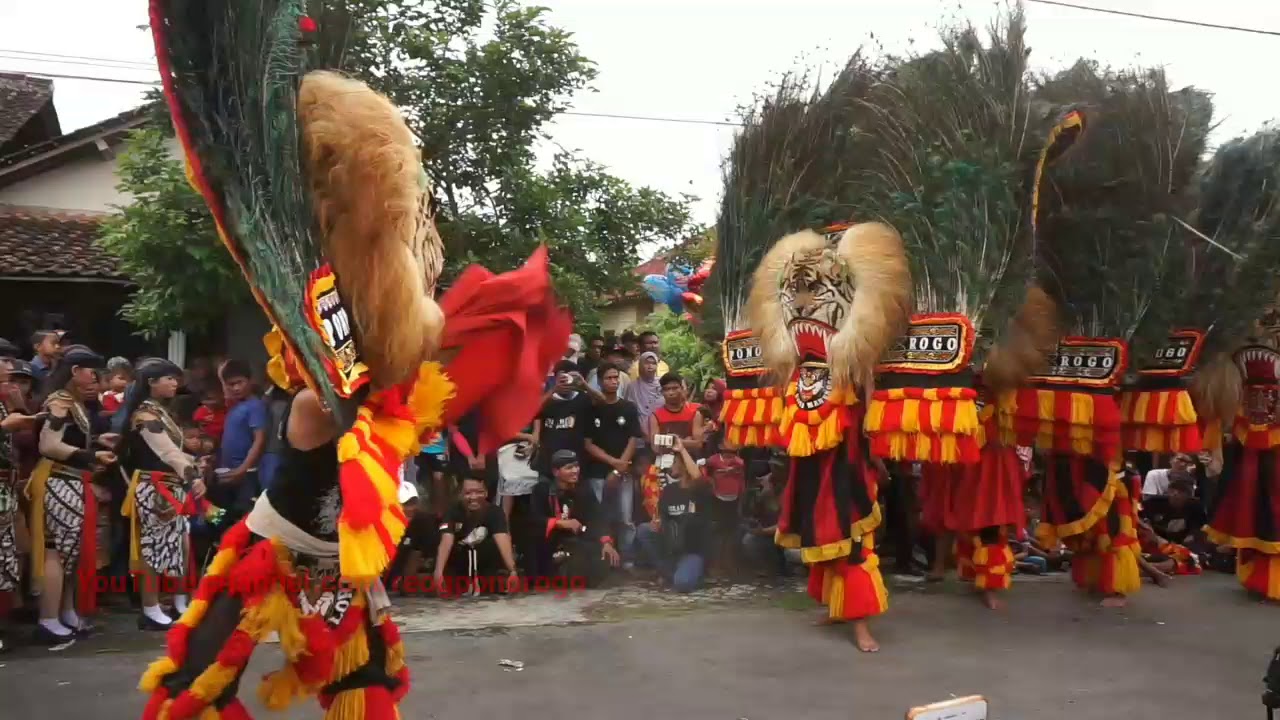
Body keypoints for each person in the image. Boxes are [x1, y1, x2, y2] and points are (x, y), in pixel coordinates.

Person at [135, 21, 571, 719]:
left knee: (364, 691)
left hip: (343, 575)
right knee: (194, 684)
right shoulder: (319, 399)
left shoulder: (392, 395)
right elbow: (348, 426)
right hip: (269, 558)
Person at [28, 344, 116, 647]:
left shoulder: (73, 403)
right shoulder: (61, 402)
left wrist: (97, 441)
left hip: (73, 480)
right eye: (91, 370)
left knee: (71, 552)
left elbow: (68, 438)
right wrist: (89, 455)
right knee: (57, 550)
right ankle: (48, 618)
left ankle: (66, 612)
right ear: (76, 372)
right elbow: (49, 444)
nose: (95, 377)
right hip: (59, 479)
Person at [118, 358, 206, 631]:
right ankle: (150, 607)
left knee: (179, 546)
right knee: (153, 549)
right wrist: (192, 474)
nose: (174, 383)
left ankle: (178, 601)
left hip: (170, 485)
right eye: (169, 378)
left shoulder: (160, 412)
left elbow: (175, 451)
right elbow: (166, 452)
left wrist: (193, 468)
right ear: (151, 383)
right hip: (153, 487)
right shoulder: (145, 416)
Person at [0, 357, 43, 652]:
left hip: (7, 489)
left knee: (8, 558)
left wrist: (19, 412)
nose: (10, 382)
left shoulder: (7, 403)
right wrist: (5, 426)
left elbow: (28, 439)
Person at [530, 450, 620, 586]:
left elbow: (597, 517)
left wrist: (606, 542)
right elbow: (533, 520)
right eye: (569, 468)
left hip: (577, 540)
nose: (575, 471)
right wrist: (560, 523)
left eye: (576, 466)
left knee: (603, 556)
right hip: (551, 543)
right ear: (556, 472)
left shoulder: (584, 489)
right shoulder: (542, 489)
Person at [636, 436, 712, 592]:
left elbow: (697, 477)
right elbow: (663, 517)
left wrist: (682, 449)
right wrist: (657, 522)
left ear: (684, 464)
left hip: (692, 551)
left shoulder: (701, 489)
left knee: (682, 584)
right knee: (644, 529)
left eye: (675, 461)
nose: (671, 465)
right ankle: (669, 571)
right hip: (672, 548)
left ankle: (690, 574)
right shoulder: (670, 490)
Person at [583, 362, 642, 562]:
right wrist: (613, 462)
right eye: (609, 378)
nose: (614, 381)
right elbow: (588, 444)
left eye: (616, 377)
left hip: (624, 472)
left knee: (626, 518)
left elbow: (634, 438)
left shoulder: (628, 408)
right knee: (601, 516)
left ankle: (628, 560)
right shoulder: (592, 410)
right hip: (598, 472)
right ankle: (604, 559)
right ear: (599, 382)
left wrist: (621, 465)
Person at [433, 476, 519, 596]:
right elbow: (446, 540)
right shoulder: (452, 511)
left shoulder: (495, 512)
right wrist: (438, 572)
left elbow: (502, 538)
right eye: (468, 493)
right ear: (460, 494)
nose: (474, 497)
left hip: (486, 563)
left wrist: (512, 570)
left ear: (486, 493)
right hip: (459, 563)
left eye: (479, 492)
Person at [210, 360, 266, 524]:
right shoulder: (235, 405)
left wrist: (242, 469)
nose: (235, 388)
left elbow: (259, 440)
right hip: (228, 472)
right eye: (230, 384)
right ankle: (222, 544)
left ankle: (242, 548)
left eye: (239, 383)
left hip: (246, 474)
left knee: (244, 517)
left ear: (250, 381)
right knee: (221, 515)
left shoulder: (255, 406)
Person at [531, 360, 595, 479]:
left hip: (575, 462)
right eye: (562, 377)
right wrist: (554, 390)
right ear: (555, 378)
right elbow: (531, 411)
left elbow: (604, 403)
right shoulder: (547, 399)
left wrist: (584, 384)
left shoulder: (583, 398)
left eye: (570, 377)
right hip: (548, 461)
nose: (566, 381)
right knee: (546, 493)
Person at [1141, 473, 1207, 550]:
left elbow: (1197, 531)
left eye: (1181, 491)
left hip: (1182, 546)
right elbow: (1142, 520)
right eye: (1173, 489)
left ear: (1189, 495)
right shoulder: (1153, 503)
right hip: (1154, 541)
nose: (1175, 494)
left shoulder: (1196, 507)